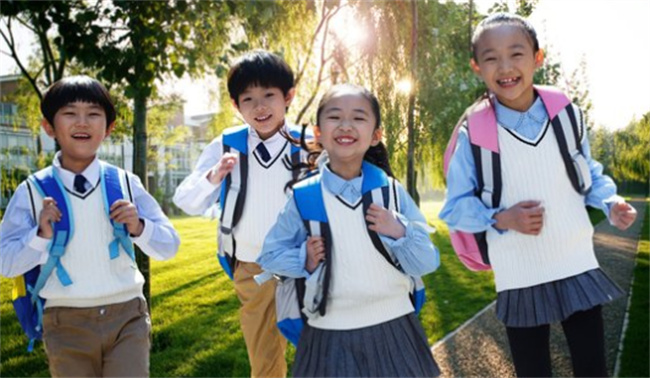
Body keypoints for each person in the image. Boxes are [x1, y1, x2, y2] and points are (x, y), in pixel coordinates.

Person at [439, 13, 637, 377]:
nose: (505, 66)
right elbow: (454, 209)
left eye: (516, 54)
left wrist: (610, 204)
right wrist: (501, 218)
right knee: (533, 372)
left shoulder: (568, 115)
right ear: (476, 67)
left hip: (575, 261)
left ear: (537, 58)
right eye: (491, 57)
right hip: (518, 274)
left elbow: (587, 173)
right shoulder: (474, 133)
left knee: (593, 369)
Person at [0, 75, 180, 377]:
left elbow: (169, 245)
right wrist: (41, 237)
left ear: (108, 128)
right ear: (49, 126)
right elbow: (6, 263)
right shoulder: (31, 192)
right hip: (64, 321)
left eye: (93, 114)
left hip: (127, 316)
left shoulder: (125, 183)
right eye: (70, 113)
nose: (82, 122)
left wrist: (139, 226)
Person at [257, 83, 441, 377]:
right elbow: (269, 255)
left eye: (358, 117)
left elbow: (428, 261)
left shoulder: (389, 191)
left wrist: (400, 231)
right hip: (328, 336)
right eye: (334, 117)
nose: (346, 125)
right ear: (318, 133)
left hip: (396, 329)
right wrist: (302, 259)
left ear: (376, 135)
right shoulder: (305, 197)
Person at [173, 50, 300, 377]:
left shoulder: (307, 144)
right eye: (248, 98)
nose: (260, 107)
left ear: (288, 96)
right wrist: (214, 176)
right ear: (235, 105)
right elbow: (186, 200)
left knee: (324, 346)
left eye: (269, 95)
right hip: (252, 266)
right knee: (265, 358)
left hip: (306, 264)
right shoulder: (227, 144)